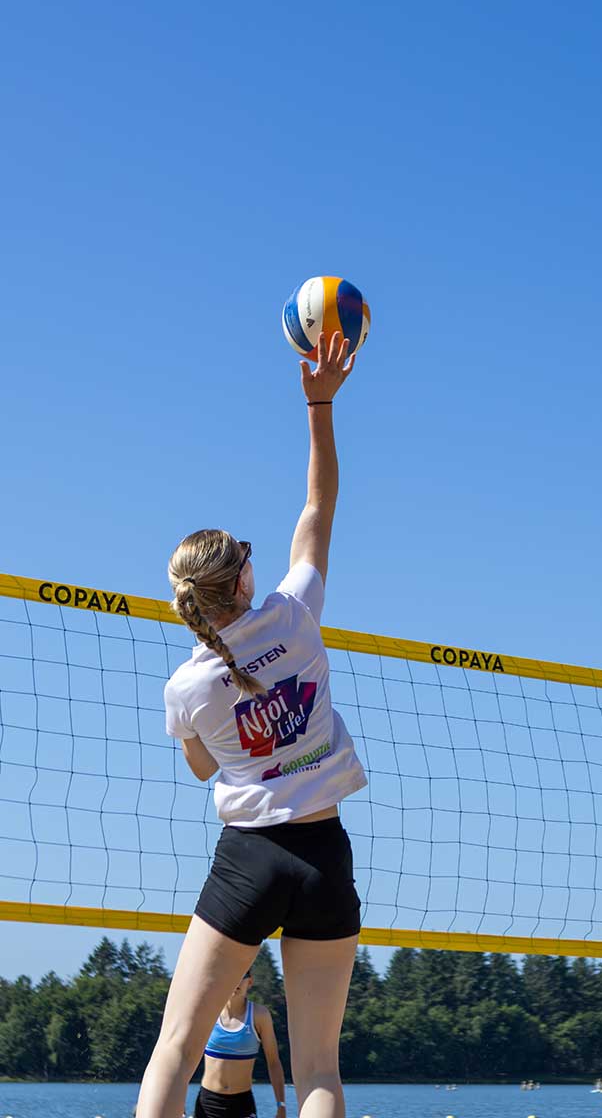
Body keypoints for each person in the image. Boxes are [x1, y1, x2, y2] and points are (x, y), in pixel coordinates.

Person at [136, 331, 366, 1118]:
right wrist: (320, 403)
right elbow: (317, 505)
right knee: (321, 1072)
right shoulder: (295, 615)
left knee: (176, 1046)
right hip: (323, 852)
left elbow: (204, 770)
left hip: (252, 859)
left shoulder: (187, 686)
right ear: (242, 575)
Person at [193, 969, 285, 1118]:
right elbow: (185, 1057)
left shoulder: (260, 1015)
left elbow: (274, 1062)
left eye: (242, 976)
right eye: (231, 975)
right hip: (209, 1103)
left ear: (250, 982)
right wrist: (178, 1101)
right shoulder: (208, 1012)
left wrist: (281, 1105)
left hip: (242, 1104)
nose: (236, 981)